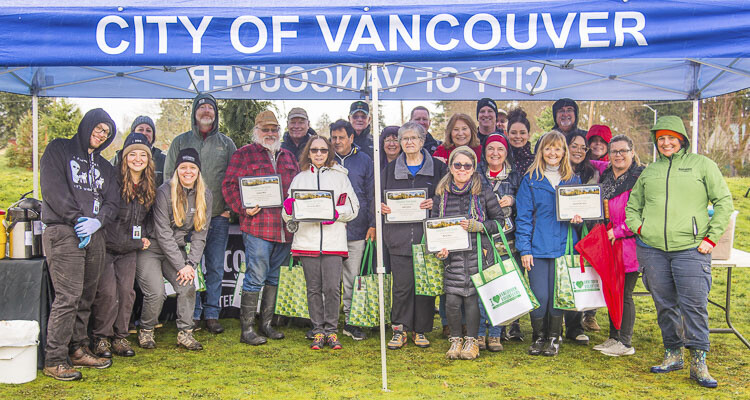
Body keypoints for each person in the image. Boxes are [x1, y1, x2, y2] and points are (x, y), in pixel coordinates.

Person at [626, 116, 733, 388]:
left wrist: (711, 237)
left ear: (682, 138)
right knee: (664, 305)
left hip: (691, 248)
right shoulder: (650, 171)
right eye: (661, 138)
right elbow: (632, 207)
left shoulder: (702, 165)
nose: (666, 142)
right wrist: (641, 229)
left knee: (694, 305)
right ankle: (672, 353)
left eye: (671, 137)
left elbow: (723, 201)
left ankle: (699, 360)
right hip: (653, 250)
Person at [40, 108, 119, 380]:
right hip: (63, 231)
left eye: (106, 132)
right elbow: (52, 189)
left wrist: (98, 222)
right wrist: (77, 219)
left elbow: (113, 202)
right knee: (68, 296)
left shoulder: (105, 167)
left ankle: (78, 349)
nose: (101, 134)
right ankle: (54, 358)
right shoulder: (58, 149)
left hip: (95, 234)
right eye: (98, 128)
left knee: (86, 296)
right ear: (87, 126)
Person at [222, 110, 300, 345]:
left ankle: (266, 325)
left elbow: (296, 190)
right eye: (265, 129)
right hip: (257, 227)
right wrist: (243, 209)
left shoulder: (288, 156)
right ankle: (246, 330)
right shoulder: (243, 155)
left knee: (274, 278)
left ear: (279, 132)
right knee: (255, 276)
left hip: (284, 229)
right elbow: (228, 186)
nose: (270, 133)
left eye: (274, 129)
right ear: (256, 131)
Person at [164, 93, 236, 334]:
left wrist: (228, 208)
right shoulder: (180, 142)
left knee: (215, 266)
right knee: (189, 264)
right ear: (194, 112)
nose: (206, 111)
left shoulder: (226, 144)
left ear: (216, 114)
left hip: (217, 216)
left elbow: (233, 179)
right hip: (186, 219)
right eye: (202, 107)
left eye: (210, 108)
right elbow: (167, 179)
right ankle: (192, 314)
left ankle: (212, 313)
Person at [282, 136, 360, 350]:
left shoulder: (340, 178)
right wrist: (289, 210)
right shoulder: (300, 179)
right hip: (307, 241)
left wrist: (335, 213)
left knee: (333, 288)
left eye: (323, 150)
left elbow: (354, 208)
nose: (318, 154)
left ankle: (332, 331)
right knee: (314, 288)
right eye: (314, 150)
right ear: (308, 152)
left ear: (329, 153)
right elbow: (288, 215)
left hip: (333, 241)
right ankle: (318, 331)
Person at [433, 146, 505, 360]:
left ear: (473, 168)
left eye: (467, 165)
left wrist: (479, 226)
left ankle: (472, 342)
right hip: (452, 256)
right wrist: (438, 248)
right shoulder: (441, 192)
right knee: (453, 300)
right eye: (458, 165)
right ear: (451, 167)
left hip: (477, 253)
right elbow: (435, 226)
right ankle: (455, 340)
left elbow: (500, 222)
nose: (462, 169)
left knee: (472, 299)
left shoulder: (483, 189)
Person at [380, 122, 447, 350]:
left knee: (424, 287)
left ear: (422, 140)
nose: (409, 142)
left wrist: (435, 202)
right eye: (404, 138)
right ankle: (399, 329)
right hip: (397, 239)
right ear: (399, 143)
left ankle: (421, 330)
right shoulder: (389, 171)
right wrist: (382, 207)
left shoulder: (438, 169)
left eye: (413, 138)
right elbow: (377, 199)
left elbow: (449, 198)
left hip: (427, 239)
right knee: (402, 287)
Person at [136, 149, 212, 351]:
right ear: (177, 169)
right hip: (152, 248)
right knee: (156, 292)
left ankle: (185, 334)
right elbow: (162, 233)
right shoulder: (164, 191)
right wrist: (181, 265)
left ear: (198, 171)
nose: (188, 172)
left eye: (192, 168)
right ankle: (146, 330)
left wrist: (190, 265)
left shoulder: (205, 195)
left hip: (176, 250)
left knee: (187, 286)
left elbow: (200, 235)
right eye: (183, 167)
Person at [516, 131, 582, 357]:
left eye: (557, 148)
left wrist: (579, 218)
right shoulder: (531, 179)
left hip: (564, 247)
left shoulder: (573, 179)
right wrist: (525, 249)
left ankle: (554, 337)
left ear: (564, 152)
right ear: (541, 151)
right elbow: (523, 217)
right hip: (537, 248)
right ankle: (539, 337)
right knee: (540, 296)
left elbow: (582, 212)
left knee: (557, 295)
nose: (552, 153)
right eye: (548, 148)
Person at [90, 132, 155, 359]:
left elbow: (147, 217)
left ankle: (120, 337)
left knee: (127, 293)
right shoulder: (112, 180)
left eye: (143, 155)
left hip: (129, 249)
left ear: (148, 158)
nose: (137, 159)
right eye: (132, 154)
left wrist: (145, 235)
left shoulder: (149, 183)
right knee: (107, 293)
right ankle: (101, 338)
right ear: (124, 156)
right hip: (107, 246)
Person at [592, 135, 644, 357]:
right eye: (614, 151)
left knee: (624, 294)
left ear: (632, 152)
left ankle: (625, 341)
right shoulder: (607, 176)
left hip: (628, 245)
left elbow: (643, 214)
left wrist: (620, 230)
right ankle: (614, 336)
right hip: (609, 242)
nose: (618, 155)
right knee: (612, 291)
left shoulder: (640, 178)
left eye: (623, 151)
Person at [330, 119, 375, 341]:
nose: (337, 141)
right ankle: (326, 324)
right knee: (329, 279)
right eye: (334, 137)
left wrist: (373, 224)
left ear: (351, 138)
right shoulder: (324, 160)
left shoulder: (364, 160)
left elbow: (372, 193)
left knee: (352, 278)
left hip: (357, 230)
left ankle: (350, 321)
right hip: (329, 231)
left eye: (341, 137)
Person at [477, 133, 522, 350]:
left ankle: (495, 333)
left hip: (507, 240)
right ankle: (478, 334)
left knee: (501, 285)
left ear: (506, 153)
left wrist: (513, 200)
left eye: (500, 149)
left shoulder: (514, 176)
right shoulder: (476, 173)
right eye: (491, 149)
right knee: (481, 287)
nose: (495, 153)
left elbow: (525, 202)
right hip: (482, 238)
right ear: (484, 152)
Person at [565, 131, 600, 340]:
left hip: (583, 230)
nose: (578, 151)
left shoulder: (591, 172)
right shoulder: (557, 169)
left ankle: (574, 327)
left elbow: (592, 202)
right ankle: (554, 326)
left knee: (578, 275)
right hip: (560, 229)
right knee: (562, 275)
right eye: (574, 145)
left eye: (583, 147)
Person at [506, 108, 535, 176]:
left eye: (522, 133)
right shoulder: (501, 159)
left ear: (528, 135)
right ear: (507, 135)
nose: (518, 136)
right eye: (513, 133)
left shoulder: (535, 162)